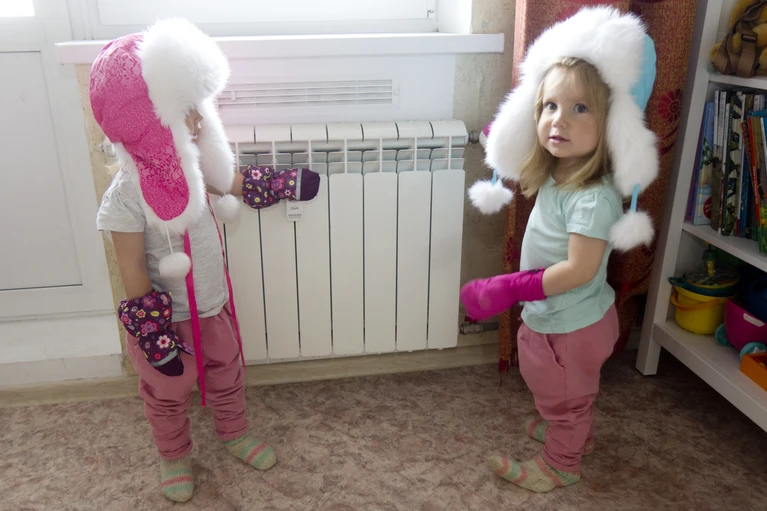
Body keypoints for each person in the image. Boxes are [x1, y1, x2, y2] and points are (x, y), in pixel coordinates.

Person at [92, 19, 320, 502]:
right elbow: (132, 268)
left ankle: (234, 432)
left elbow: (228, 182)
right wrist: (153, 335)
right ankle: (174, 454)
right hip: (164, 321)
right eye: (186, 112)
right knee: (167, 391)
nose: (198, 121)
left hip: (213, 305)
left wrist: (278, 184)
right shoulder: (126, 195)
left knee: (226, 372)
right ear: (150, 123)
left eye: (199, 109)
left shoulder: (191, 166)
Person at [460, 6, 658, 493]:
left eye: (580, 108)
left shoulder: (592, 198)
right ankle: (572, 430)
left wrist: (513, 286)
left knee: (566, 398)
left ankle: (561, 462)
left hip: (573, 326)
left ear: (611, 123)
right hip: (564, 318)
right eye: (550, 105)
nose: (559, 120)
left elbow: (579, 269)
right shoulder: (562, 172)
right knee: (561, 390)